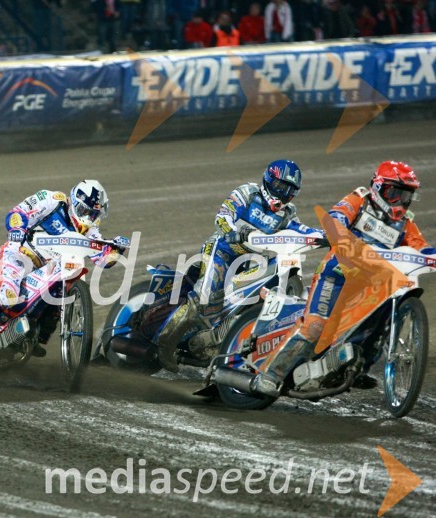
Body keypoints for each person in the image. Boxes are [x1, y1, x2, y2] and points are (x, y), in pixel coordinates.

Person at [251, 161, 436, 397]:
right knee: (315, 326)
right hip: (336, 275)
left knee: (380, 319)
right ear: (378, 188)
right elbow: (335, 218)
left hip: (369, 285)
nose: (401, 200)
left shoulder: (404, 223)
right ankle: (270, 375)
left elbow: (421, 247)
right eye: (395, 193)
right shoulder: (359, 200)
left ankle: (356, 366)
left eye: (406, 195)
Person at [149, 160, 319, 371]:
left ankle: (225, 344)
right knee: (205, 298)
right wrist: (232, 232)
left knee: (249, 304)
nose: (284, 193)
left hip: (250, 263)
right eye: (280, 186)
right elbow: (223, 214)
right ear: (268, 179)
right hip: (222, 250)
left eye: (290, 190)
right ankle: (164, 344)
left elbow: (300, 230)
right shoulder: (248, 193)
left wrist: (327, 237)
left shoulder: (287, 213)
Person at [0, 180, 130, 349]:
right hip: (19, 255)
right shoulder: (52, 199)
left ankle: (33, 337)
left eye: (93, 215)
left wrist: (116, 249)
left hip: (48, 271)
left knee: (60, 295)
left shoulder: (90, 231)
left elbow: (103, 260)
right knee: (7, 296)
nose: (87, 219)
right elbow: (18, 212)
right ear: (73, 201)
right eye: (84, 211)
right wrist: (17, 229)